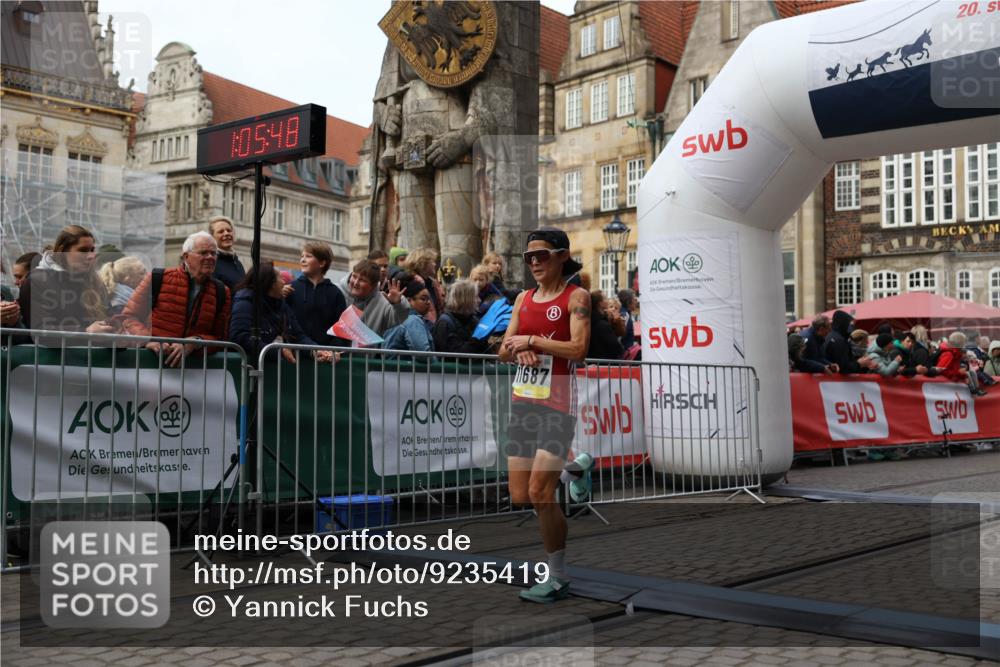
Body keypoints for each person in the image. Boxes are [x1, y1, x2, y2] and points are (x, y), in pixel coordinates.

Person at [499, 228, 591, 604]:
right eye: (529, 257)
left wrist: (533, 342)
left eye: (542, 255)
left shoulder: (577, 296)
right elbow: (503, 350)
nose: (534, 262)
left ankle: (557, 575)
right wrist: (517, 350)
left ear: (562, 257)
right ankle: (573, 469)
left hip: (557, 404)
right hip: (524, 402)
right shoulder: (523, 298)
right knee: (520, 494)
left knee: (540, 492)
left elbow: (579, 348)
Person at [122, 231, 230, 367]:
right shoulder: (157, 278)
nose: (210, 257)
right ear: (186, 256)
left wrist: (195, 342)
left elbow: (220, 338)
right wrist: (146, 341)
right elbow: (128, 317)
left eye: (213, 253)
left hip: (193, 375)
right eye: (203, 253)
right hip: (148, 367)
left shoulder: (221, 291)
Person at [17, 225, 115, 336]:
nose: (91, 256)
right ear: (62, 251)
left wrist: (118, 326)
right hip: (55, 353)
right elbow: (40, 330)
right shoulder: (36, 281)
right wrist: (86, 332)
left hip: (93, 352)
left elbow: (109, 315)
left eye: (92, 250)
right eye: (83, 250)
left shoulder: (95, 281)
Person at [230, 261, 333, 364]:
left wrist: (315, 351)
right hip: (249, 372)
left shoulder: (282, 305)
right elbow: (240, 337)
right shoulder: (245, 302)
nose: (284, 282)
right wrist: (277, 351)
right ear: (270, 283)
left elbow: (298, 336)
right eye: (280, 278)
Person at [286, 242, 348, 347]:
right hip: (295, 354)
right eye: (302, 256)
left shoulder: (335, 293)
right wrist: (278, 296)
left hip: (326, 356)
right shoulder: (290, 288)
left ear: (322, 263)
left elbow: (341, 329)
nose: (302, 260)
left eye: (308, 256)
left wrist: (333, 351)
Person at [338, 259, 409, 337]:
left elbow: (399, 317)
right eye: (354, 276)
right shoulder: (337, 292)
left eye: (362, 280)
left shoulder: (381, 303)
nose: (356, 282)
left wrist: (398, 304)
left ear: (373, 286)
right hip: (332, 349)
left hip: (364, 349)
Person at [382, 273, 434, 355]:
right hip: (406, 367)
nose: (428, 302)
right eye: (423, 299)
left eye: (429, 299)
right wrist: (435, 363)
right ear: (409, 301)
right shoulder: (413, 321)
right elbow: (424, 355)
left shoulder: (392, 317)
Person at [432, 279, 487, 354]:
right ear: (466, 299)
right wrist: (477, 340)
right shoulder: (445, 323)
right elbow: (457, 353)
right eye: (476, 297)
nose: (479, 300)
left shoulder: (473, 319)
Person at [933, 331, 986, 396]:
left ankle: (976, 390)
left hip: (952, 379)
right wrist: (959, 373)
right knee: (969, 373)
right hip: (945, 385)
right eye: (963, 343)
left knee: (971, 372)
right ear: (960, 343)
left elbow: (954, 368)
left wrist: (963, 375)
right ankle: (973, 391)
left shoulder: (955, 353)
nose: (965, 345)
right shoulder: (949, 354)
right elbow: (940, 370)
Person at [404, 248, 446, 323]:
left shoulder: (432, 283)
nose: (435, 264)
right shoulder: (413, 283)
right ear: (422, 264)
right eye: (432, 261)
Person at [208, 216, 246, 290]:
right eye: (221, 231)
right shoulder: (211, 263)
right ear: (212, 237)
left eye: (229, 230)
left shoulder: (238, 263)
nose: (226, 233)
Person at [587, 291, 624, 361]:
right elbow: (616, 348)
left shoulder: (589, 320)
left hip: (593, 361)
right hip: (604, 363)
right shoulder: (602, 324)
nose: (607, 300)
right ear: (600, 303)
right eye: (605, 298)